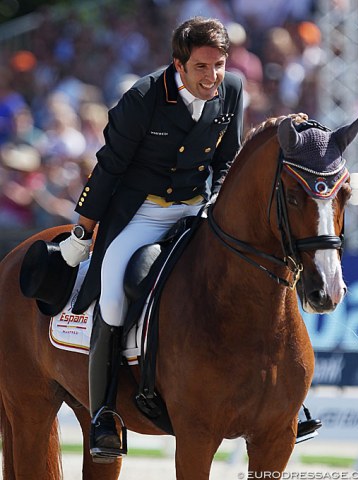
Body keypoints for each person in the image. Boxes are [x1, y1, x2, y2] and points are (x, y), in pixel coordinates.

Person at [59, 16, 245, 458]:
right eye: (202, 67)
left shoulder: (233, 89)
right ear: (178, 65)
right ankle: (104, 414)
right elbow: (110, 168)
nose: (212, 76)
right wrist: (84, 227)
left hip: (195, 210)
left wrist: (216, 203)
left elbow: (228, 158)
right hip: (141, 214)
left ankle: (283, 400)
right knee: (112, 295)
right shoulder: (142, 98)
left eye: (218, 65)